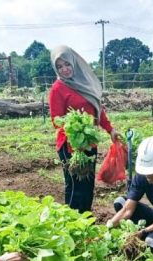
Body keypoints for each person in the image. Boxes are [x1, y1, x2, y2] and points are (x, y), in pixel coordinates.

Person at [49, 45, 121, 213]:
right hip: (70, 146)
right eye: (59, 67)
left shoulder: (85, 83)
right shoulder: (57, 89)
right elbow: (56, 120)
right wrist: (76, 128)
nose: (64, 69)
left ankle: (87, 220)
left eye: (67, 64)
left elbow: (97, 109)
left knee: (88, 185)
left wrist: (110, 129)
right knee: (75, 186)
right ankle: (73, 222)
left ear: (74, 62)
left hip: (89, 143)